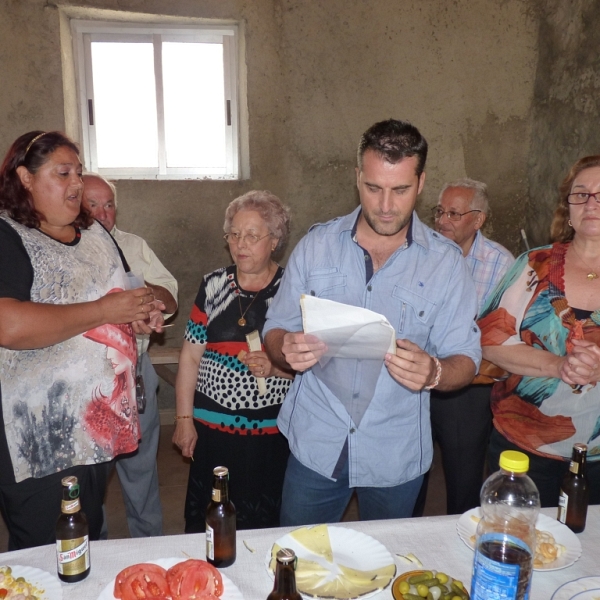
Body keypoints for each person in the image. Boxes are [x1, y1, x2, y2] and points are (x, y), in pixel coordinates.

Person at [263, 119, 482, 526]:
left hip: (394, 453)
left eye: (399, 190)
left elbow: (466, 358)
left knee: (387, 568)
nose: (385, 205)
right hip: (317, 443)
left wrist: (434, 371)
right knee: (298, 558)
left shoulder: (446, 264)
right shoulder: (316, 246)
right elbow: (275, 327)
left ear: (420, 183)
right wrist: (285, 347)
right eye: (373, 187)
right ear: (357, 178)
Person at [0, 131, 164, 550]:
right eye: (63, 173)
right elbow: (9, 325)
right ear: (25, 178)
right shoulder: (8, 236)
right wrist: (107, 313)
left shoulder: (94, 235)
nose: (77, 183)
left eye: (79, 171)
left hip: (96, 423)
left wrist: (140, 313)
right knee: (47, 545)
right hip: (40, 432)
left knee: (86, 536)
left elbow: (122, 290)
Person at [478, 155, 600, 507]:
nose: (591, 203)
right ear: (568, 206)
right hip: (523, 450)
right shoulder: (534, 264)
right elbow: (490, 340)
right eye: (581, 194)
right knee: (517, 547)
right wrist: (557, 366)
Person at [173, 190, 294, 531]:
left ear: (275, 240)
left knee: (262, 520)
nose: (241, 244)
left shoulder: (292, 288)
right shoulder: (212, 286)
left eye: (253, 236)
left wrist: (277, 368)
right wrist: (184, 419)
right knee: (211, 518)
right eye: (234, 235)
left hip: (269, 434)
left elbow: (313, 367)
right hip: (212, 432)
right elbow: (190, 357)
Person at [82, 173, 178, 538]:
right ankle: (96, 550)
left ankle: (150, 546)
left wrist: (140, 290)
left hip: (135, 373)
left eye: (109, 205)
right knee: (92, 474)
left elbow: (170, 294)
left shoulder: (133, 245)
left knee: (141, 469)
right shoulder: (65, 250)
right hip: (89, 380)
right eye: (93, 204)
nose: (103, 213)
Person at [414, 179, 515, 515]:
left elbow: (502, 330)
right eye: (439, 211)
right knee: (411, 469)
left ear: (478, 220)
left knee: (463, 477)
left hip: (467, 384)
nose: (443, 220)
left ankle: (460, 538)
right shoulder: (419, 251)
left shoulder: (500, 264)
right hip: (414, 374)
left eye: (454, 214)